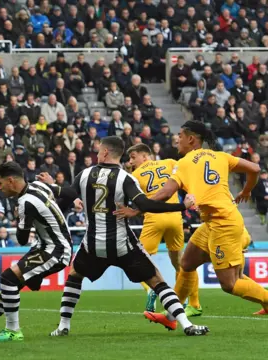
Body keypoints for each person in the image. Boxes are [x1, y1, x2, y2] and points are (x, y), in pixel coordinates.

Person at [51, 136, 208, 337]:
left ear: (106, 152)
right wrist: (181, 206)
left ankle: (63, 326)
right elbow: (147, 205)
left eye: (99, 150)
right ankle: (186, 324)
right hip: (122, 243)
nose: (97, 153)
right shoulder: (126, 178)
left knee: (74, 276)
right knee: (157, 280)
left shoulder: (85, 174)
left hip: (93, 245)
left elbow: (69, 193)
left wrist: (52, 186)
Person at [116, 121, 266, 320]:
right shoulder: (220, 156)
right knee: (186, 263)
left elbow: (165, 192)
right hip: (215, 221)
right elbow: (255, 168)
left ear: (191, 139)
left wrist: (137, 209)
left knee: (230, 284)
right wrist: (246, 191)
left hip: (224, 224)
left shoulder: (184, 163)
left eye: (180, 135)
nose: (177, 139)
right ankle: (172, 316)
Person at [0, 161, 75, 342]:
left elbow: (21, 239)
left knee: (8, 278)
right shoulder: (39, 186)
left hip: (56, 251)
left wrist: (19, 217)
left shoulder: (26, 202)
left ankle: (13, 331)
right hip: (47, 246)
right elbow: (71, 193)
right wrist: (52, 185)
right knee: (9, 285)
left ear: (10, 181)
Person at [127, 144, 201, 315]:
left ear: (145, 157)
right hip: (175, 217)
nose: (131, 162)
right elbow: (187, 176)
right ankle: (192, 303)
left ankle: (151, 289)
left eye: (133, 157)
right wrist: (193, 195)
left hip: (154, 218)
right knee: (181, 264)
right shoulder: (169, 163)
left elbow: (133, 199)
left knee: (137, 261)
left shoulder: (135, 175)